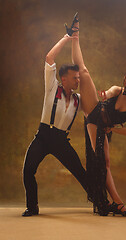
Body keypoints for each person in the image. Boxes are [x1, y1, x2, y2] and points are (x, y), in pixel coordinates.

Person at [70, 14, 126, 216]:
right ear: (124, 82)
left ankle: (115, 202)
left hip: (105, 127)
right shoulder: (117, 90)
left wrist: (113, 130)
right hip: (94, 114)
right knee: (83, 71)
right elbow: (106, 94)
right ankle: (75, 36)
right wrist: (101, 94)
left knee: (106, 163)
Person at [22, 33, 90, 217]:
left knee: (80, 172)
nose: (78, 80)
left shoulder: (79, 99)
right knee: (28, 170)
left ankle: (100, 202)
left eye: (78, 77)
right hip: (43, 137)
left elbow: (97, 103)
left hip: (61, 141)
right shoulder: (52, 87)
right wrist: (68, 37)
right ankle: (32, 207)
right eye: (75, 78)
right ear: (64, 79)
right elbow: (49, 58)